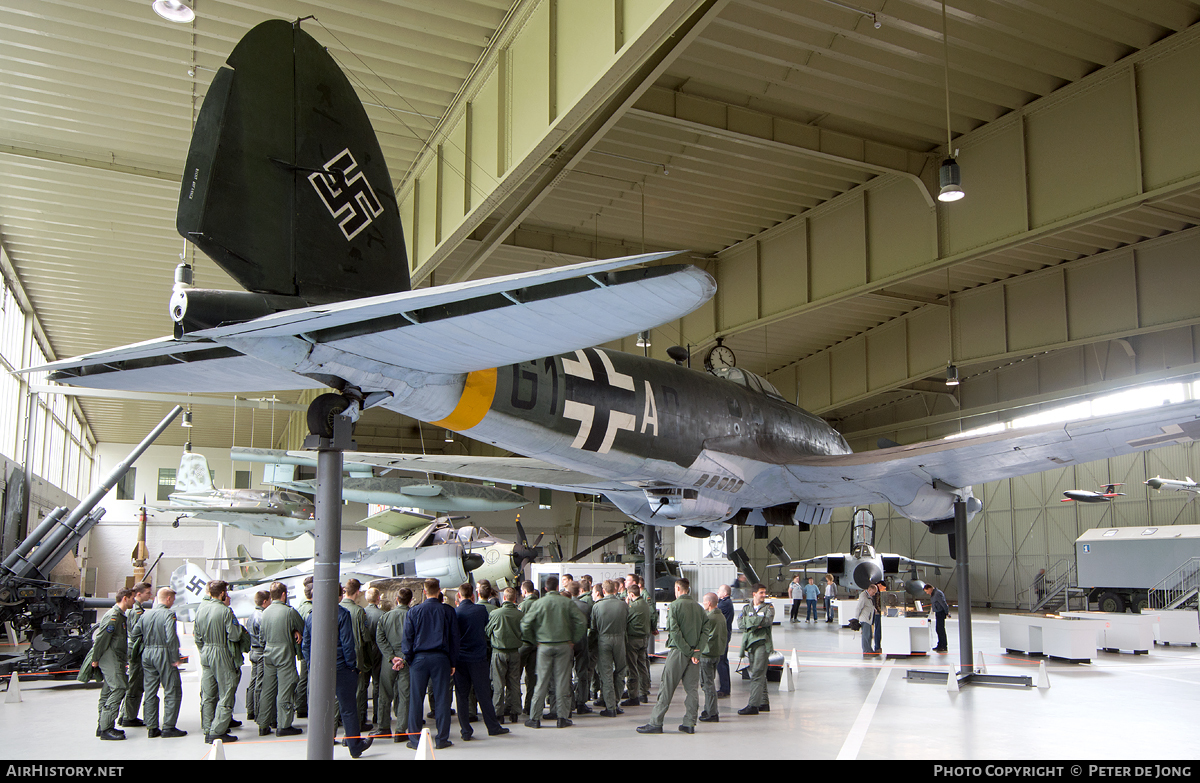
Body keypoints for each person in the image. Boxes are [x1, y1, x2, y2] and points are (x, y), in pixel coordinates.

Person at [303, 583, 373, 758]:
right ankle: (354, 746)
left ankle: (320, 745)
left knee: (321, 708)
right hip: (341, 667)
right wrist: (351, 666)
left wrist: (313, 666)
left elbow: (306, 645)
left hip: (319, 669)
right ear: (339, 595)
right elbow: (348, 644)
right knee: (348, 708)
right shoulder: (342, 614)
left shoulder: (311, 616)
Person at [636, 578, 705, 734]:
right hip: (694, 654)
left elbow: (674, 631)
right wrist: (697, 650)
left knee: (666, 687)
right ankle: (689, 723)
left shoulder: (674, 606)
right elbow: (706, 631)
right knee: (692, 689)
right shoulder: (699, 608)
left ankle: (656, 722)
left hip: (679, 652)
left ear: (677, 589)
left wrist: (687, 651)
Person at [403, 578, 460, 750]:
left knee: (416, 699)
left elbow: (407, 639)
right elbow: (454, 639)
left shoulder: (413, 612)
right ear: (439, 590)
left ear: (424, 591)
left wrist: (410, 659)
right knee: (442, 699)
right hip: (441, 659)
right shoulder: (448, 611)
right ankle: (442, 738)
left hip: (419, 659)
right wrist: (452, 661)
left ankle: (414, 739)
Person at [520, 575, 584, 728]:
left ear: (546, 588)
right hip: (563, 646)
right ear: (557, 587)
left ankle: (535, 718)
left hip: (544, 646)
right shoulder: (566, 602)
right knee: (562, 682)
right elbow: (581, 621)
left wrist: (535, 640)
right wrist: (573, 639)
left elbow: (525, 624)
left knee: (541, 682)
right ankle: (562, 718)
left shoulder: (539, 603)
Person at [453, 583, 511, 741]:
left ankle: (465, 730)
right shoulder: (480, 610)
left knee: (462, 696)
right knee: (484, 694)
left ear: (459, 596)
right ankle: (492, 727)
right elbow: (486, 629)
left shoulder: (455, 612)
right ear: (473, 596)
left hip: (460, 659)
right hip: (478, 658)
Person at [78, 587, 134, 740]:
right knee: (119, 687)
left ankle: (101, 725)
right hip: (111, 657)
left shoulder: (120, 616)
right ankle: (106, 728)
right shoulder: (113, 617)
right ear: (125, 598)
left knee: (108, 691)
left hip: (116, 657)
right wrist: (95, 659)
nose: (134, 601)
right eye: (132, 598)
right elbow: (101, 639)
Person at [194, 580, 244, 744]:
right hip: (220, 652)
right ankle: (218, 730)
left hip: (206, 651)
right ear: (222, 593)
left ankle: (208, 727)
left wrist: (204, 650)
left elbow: (197, 636)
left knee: (208, 693)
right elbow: (235, 635)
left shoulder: (201, 610)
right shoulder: (225, 611)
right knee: (227, 690)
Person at [135, 587, 186, 738]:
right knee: (172, 689)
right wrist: (175, 657)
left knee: (150, 691)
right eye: (173, 599)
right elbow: (171, 638)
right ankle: (169, 727)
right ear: (168, 599)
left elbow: (135, 632)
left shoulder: (145, 614)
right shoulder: (169, 615)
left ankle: (151, 727)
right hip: (163, 653)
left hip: (147, 653)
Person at [257, 581, 304, 737]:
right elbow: (302, 626)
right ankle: (283, 725)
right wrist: (296, 631)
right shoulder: (289, 612)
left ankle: (263, 724)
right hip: (284, 653)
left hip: (268, 652)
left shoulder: (265, 612)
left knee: (268, 690)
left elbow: (261, 636)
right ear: (284, 594)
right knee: (285, 689)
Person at [374, 587, 412, 742]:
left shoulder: (386, 617)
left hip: (388, 661)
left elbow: (380, 638)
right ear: (410, 600)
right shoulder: (413, 616)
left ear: (397, 599)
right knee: (405, 695)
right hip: (407, 661)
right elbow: (415, 639)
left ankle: (383, 727)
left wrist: (391, 657)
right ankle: (401, 730)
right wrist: (402, 658)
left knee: (385, 693)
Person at [486, 587, 524, 724]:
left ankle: (498, 714)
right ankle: (514, 712)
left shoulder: (496, 613)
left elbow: (488, 631)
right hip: (514, 652)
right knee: (514, 683)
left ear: (504, 598)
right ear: (515, 599)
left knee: (498, 684)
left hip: (499, 652)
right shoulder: (520, 615)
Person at [117, 582, 153, 729]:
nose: (150, 595)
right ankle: (129, 716)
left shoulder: (137, 609)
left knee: (135, 682)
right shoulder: (136, 611)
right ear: (139, 594)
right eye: (147, 593)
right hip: (136, 651)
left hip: (135, 649)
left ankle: (125, 714)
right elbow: (138, 632)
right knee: (135, 683)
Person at [591, 579, 628, 717]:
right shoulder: (623, 605)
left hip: (603, 640)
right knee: (620, 671)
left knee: (606, 674)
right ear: (616, 590)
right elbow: (627, 623)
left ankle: (610, 706)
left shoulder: (597, 606)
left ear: (603, 591)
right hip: (620, 639)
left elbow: (594, 628)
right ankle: (616, 702)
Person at [341, 578, 374, 729]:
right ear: (358, 592)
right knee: (359, 688)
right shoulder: (359, 611)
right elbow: (365, 637)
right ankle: (359, 721)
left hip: (339, 654)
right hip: (356, 654)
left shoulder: (337, 608)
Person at [737, 583, 774, 715]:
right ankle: (763, 702)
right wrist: (756, 622)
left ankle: (753, 705)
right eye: (761, 593)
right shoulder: (747, 608)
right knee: (758, 673)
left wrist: (750, 622)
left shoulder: (769, 607)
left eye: (765, 593)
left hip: (762, 644)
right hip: (750, 644)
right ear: (754, 594)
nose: (764, 595)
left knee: (757, 674)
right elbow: (740, 624)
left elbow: (767, 621)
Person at [697, 592, 727, 723]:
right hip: (716, 653)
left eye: (704, 601)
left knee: (707, 684)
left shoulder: (710, 618)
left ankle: (712, 712)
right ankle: (708, 708)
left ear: (709, 603)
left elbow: (703, 636)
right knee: (710, 682)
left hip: (707, 654)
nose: (703, 604)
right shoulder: (720, 616)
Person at [621, 582, 651, 707]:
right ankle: (643, 692)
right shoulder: (645, 604)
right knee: (642, 665)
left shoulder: (633, 607)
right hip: (644, 639)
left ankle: (633, 695)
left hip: (633, 640)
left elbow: (625, 619)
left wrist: (627, 604)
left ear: (631, 594)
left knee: (632, 667)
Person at [567, 580, 593, 713]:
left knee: (567, 673)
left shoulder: (565, 606)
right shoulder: (585, 606)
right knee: (581, 672)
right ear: (580, 591)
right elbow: (590, 624)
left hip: (568, 642)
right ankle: (581, 702)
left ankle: (569, 702)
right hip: (582, 640)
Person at [245, 589, 270, 723]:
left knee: (253, 680)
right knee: (260, 682)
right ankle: (258, 712)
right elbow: (263, 636)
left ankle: (250, 709)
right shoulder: (262, 616)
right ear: (265, 602)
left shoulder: (251, 616)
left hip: (253, 651)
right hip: (260, 651)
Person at [363, 587, 385, 727]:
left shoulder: (362, 613)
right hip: (378, 650)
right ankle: (377, 715)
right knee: (377, 683)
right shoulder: (382, 615)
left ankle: (362, 714)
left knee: (363, 684)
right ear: (378, 599)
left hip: (364, 650)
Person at [517, 580, 539, 716]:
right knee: (532, 677)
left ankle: (514, 706)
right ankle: (529, 706)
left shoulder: (523, 605)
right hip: (537, 645)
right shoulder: (540, 604)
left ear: (524, 591)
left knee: (515, 676)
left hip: (524, 644)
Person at [295, 576, 313, 718]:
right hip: (310, 648)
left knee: (304, 677)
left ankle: (301, 706)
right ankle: (304, 706)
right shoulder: (310, 610)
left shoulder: (301, 605)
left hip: (302, 647)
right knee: (308, 678)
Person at [715, 585, 734, 698]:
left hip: (722, 636)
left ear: (725, 593)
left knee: (721, 662)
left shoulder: (724, 604)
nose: (717, 592)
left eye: (720, 590)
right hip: (725, 635)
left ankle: (724, 688)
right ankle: (725, 687)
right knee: (723, 661)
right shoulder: (726, 602)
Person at [924, 583, 950, 652]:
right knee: (938, 629)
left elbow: (943, 603)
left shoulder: (937, 594)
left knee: (940, 629)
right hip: (938, 612)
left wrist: (947, 612)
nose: (927, 593)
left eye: (927, 591)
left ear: (930, 589)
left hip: (941, 613)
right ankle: (940, 645)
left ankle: (943, 646)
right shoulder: (934, 594)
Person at [855, 584, 878, 656]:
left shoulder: (869, 597)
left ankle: (869, 649)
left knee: (869, 636)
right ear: (869, 590)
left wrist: (874, 609)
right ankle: (866, 651)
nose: (874, 594)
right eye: (873, 592)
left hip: (869, 619)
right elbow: (858, 608)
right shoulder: (863, 597)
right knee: (866, 636)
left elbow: (869, 606)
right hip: (865, 619)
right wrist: (856, 619)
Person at [873, 581, 886, 652]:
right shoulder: (876, 593)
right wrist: (881, 611)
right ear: (880, 585)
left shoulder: (876, 591)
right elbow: (876, 604)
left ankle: (877, 646)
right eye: (883, 588)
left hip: (878, 613)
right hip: (878, 614)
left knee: (878, 630)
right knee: (878, 630)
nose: (883, 590)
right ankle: (877, 647)